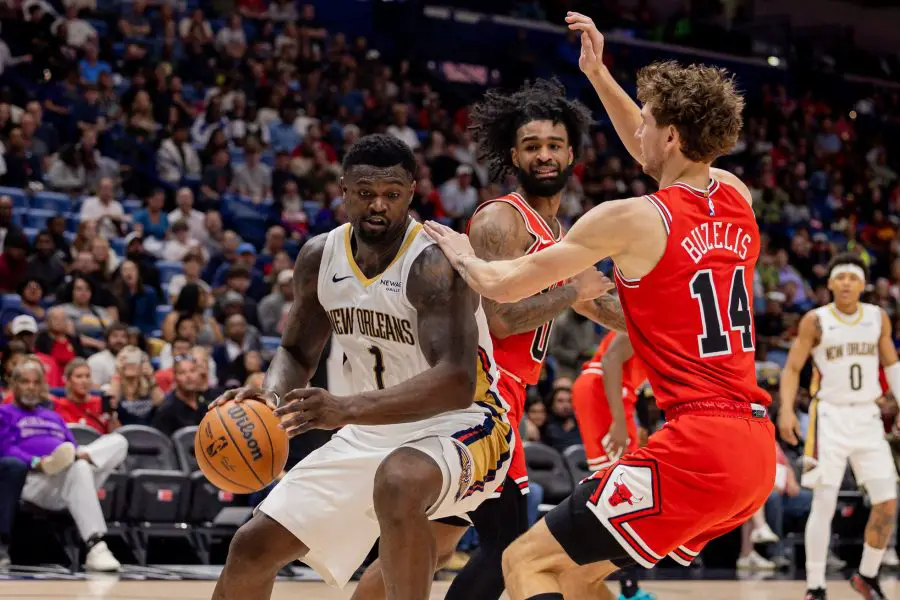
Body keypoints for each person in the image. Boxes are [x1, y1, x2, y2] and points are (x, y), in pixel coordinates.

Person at [423, 13, 775, 600]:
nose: (639, 134)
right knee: (578, 575)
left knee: (525, 564)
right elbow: (666, 151)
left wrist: (465, 256)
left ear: (668, 136)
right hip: (753, 453)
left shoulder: (631, 218)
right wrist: (598, 74)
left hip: (697, 444)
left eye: (650, 124)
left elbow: (505, 288)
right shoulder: (735, 195)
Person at [208, 134, 518, 600]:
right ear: (344, 189)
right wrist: (270, 397)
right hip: (367, 430)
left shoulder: (434, 262)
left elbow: (456, 382)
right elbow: (295, 353)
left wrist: (345, 408)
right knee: (251, 548)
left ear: (411, 192)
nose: (378, 206)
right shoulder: (319, 256)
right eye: (365, 193)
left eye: (392, 195)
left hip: (464, 425)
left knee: (399, 480)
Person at [410, 78, 605, 600]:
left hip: (503, 398)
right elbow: (501, 318)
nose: (544, 155)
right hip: (479, 396)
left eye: (553, 145)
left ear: (571, 153)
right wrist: (570, 288)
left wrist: (661, 313)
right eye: (532, 146)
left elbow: (593, 301)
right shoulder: (503, 219)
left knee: (432, 547)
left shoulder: (558, 234)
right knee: (509, 545)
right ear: (512, 155)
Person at [779, 253, 900, 600]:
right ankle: (815, 586)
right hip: (828, 416)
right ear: (830, 283)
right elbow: (791, 369)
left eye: (853, 277)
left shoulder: (878, 318)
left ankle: (866, 575)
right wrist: (786, 410)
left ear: (863, 285)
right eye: (840, 277)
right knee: (824, 501)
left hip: (868, 416)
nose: (846, 282)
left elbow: (892, 364)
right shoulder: (815, 320)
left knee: (888, 500)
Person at [0, 358, 127, 571]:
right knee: (78, 467)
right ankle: (97, 547)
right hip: (33, 481)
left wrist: (73, 455)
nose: (30, 387)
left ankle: (82, 456)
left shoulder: (53, 417)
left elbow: (69, 444)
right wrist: (36, 462)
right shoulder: (5, 413)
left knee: (119, 442)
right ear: (14, 385)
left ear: (42, 386)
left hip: (65, 480)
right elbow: (5, 449)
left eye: (35, 382)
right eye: (25, 382)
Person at [572, 331, 654, 599]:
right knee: (620, 494)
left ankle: (622, 586)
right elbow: (610, 361)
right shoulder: (646, 311)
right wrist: (619, 421)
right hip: (604, 392)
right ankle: (622, 587)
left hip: (610, 394)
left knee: (616, 493)